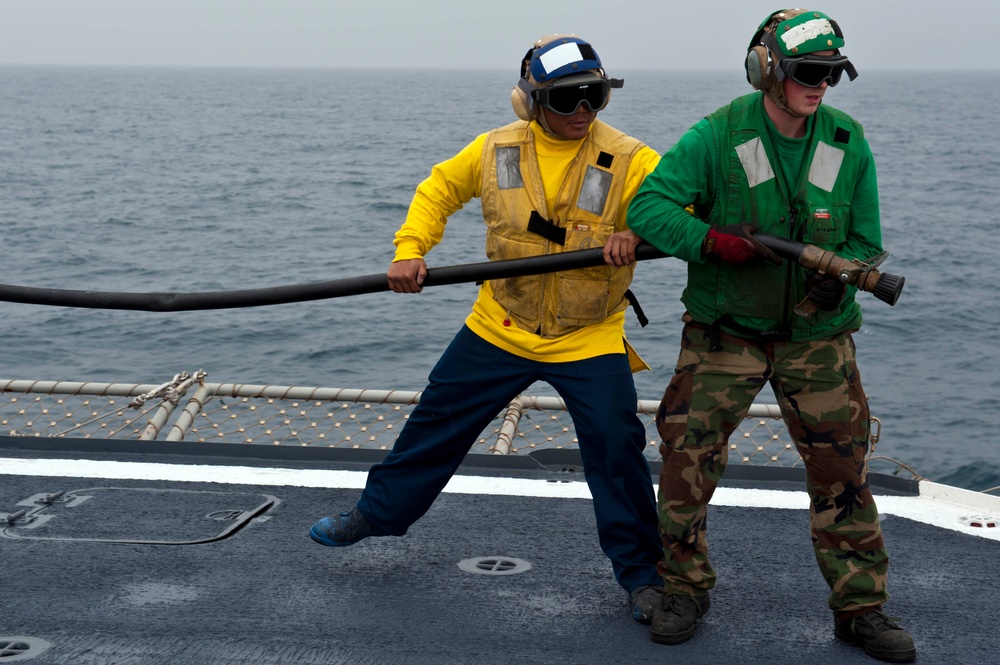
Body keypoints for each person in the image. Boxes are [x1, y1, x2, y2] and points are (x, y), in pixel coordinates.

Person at [309, 34, 666, 623]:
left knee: (615, 447)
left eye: (594, 97)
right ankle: (378, 515)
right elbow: (437, 191)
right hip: (499, 323)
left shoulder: (632, 157)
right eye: (567, 98)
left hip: (588, 333)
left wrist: (641, 235)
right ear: (529, 101)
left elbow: (679, 206)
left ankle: (643, 577)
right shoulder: (493, 149)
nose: (582, 112)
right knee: (437, 421)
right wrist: (409, 249)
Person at [626, 9, 916, 663]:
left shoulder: (847, 140)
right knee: (686, 465)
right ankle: (683, 588)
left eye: (832, 75)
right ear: (769, 70)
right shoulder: (717, 135)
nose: (820, 87)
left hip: (818, 337)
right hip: (724, 332)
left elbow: (865, 239)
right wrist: (710, 242)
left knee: (843, 474)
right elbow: (647, 207)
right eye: (809, 73)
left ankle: (860, 609)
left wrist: (833, 283)